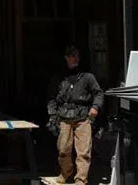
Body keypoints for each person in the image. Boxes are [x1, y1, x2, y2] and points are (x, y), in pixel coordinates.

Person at [45, 45, 104, 185]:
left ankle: (81, 180)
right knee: (63, 150)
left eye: (77, 55)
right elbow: (51, 98)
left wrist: (95, 107)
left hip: (83, 117)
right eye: (72, 55)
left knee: (83, 152)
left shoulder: (87, 77)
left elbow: (99, 93)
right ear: (66, 57)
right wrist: (52, 115)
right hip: (64, 117)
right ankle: (65, 173)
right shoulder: (59, 78)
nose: (75, 58)